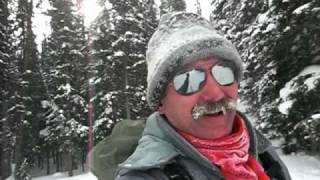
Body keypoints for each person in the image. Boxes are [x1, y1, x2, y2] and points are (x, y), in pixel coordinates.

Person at [90, 12, 291, 180]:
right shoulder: (146, 176)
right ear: (161, 103)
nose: (215, 93)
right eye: (188, 80)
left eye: (224, 73)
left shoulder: (259, 149)